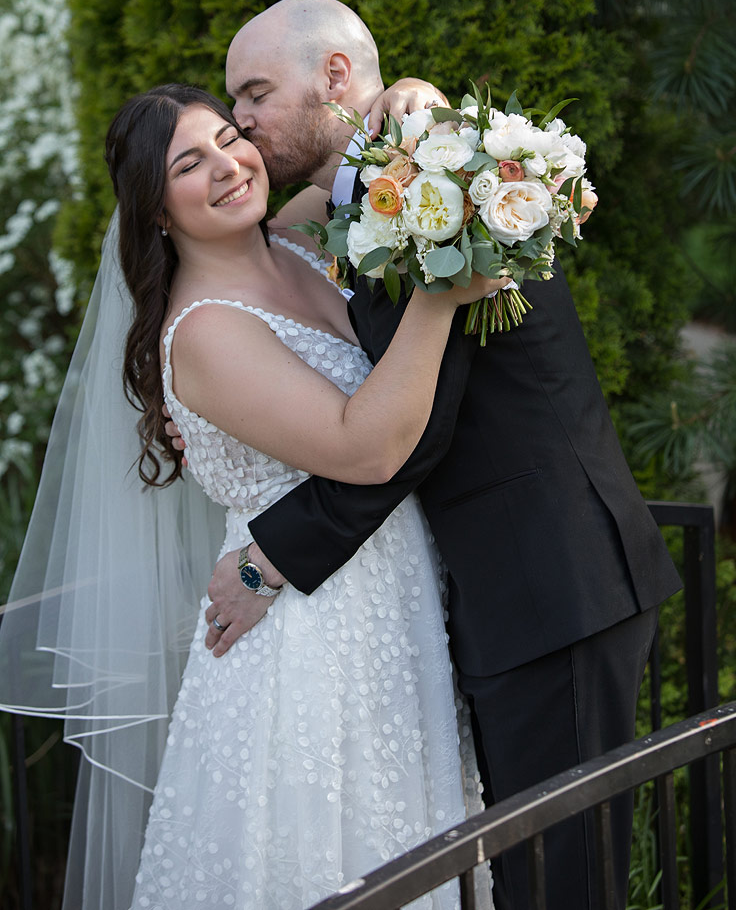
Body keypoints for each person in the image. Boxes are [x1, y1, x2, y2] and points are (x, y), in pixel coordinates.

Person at [195, 0, 684, 910]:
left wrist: (273, 557)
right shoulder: (366, 195)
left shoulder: (442, 193)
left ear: (335, 77)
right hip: (507, 596)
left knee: (564, 889)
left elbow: (411, 435)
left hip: (550, 588)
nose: (243, 123)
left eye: (255, 93)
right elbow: (252, 253)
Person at [0, 81, 498, 910]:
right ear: (156, 211)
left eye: (230, 137)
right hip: (309, 644)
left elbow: (396, 163)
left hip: (397, 603)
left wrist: (414, 96)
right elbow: (365, 448)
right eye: (190, 164)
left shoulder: (304, 237)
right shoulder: (205, 332)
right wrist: (441, 293)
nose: (229, 166)